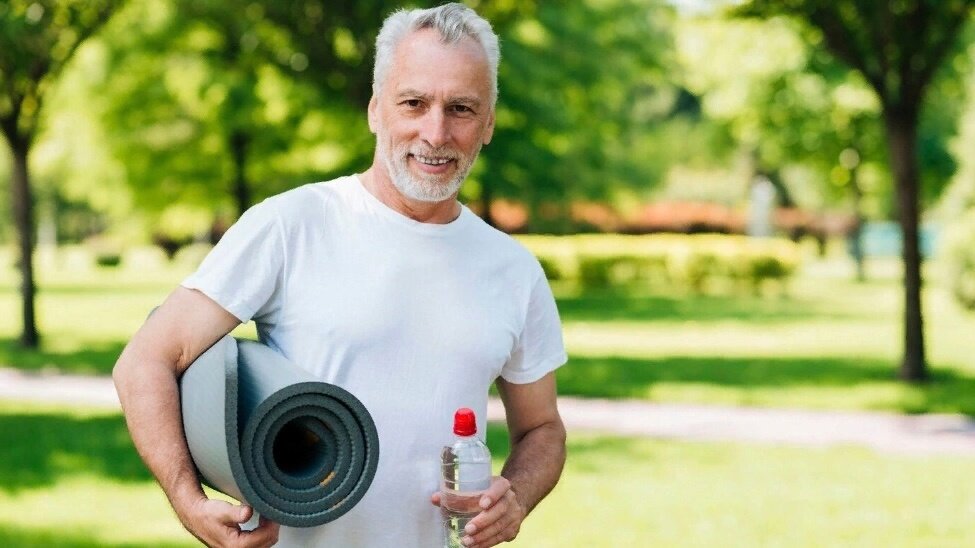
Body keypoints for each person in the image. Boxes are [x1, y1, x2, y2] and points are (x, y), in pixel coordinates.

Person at [113, 3, 568, 548]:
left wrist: (514, 497)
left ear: (489, 122)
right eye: (414, 103)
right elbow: (146, 360)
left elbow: (542, 428)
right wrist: (189, 502)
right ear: (377, 109)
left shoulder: (513, 269)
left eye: (462, 108)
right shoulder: (292, 225)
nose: (436, 131)